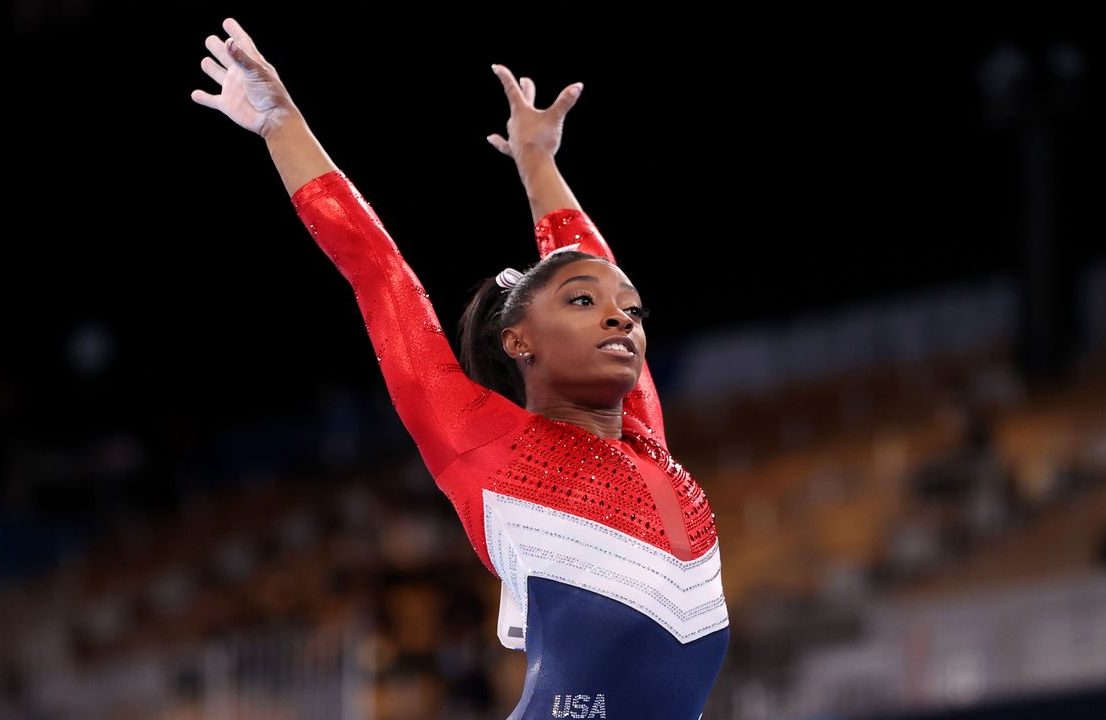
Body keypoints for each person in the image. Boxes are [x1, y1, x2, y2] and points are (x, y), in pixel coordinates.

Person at [191, 18, 729, 719]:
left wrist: (537, 163)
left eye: (631, 309)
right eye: (584, 303)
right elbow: (378, 273)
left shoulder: (646, 442)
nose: (621, 318)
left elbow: (594, 260)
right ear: (520, 342)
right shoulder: (484, 443)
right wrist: (282, 124)